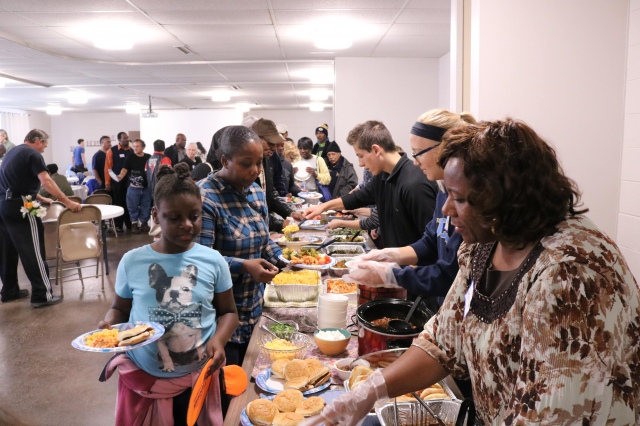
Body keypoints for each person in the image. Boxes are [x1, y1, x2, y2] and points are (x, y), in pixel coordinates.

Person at [303, 118, 640, 426]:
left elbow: (551, 415)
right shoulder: (484, 244)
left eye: (459, 199)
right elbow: (442, 341)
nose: (447, 210)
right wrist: (367, 392)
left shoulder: (570, 272)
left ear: (506, 199)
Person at [98, 162, 239, 426]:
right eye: (174, 218)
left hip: (199, 377)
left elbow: (229, 312)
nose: (187, 225)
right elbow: (120, 308)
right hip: (144, 378)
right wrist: (109, 325)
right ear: (155, 215)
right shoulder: (133, 261)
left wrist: (219, 340)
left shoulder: (213, 260)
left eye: (194, 216)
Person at [350, 109, 476, 307]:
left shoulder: (467, 198)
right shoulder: (443, 189)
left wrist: (392, 275)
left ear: (444, 148)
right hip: (442, 303)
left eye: (418, 153)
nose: (415, 162)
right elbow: (430, 241)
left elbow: (449, 273)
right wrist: (390, 254)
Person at [197, 125, 284, 367]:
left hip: (254, 308)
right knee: (229, 383)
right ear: (225, 160)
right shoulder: (205, 197)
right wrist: (244, 266)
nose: (255, 170)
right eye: (246, 164)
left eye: (259, 163)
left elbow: (264, 240)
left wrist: (284, 260)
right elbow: (200, 260)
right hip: (222, 321)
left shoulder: (255, 191)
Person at [304, 120, 438, 249]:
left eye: (360, 156)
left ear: (376, 150)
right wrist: (323, 207)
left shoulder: (415, 183)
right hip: (395, 260)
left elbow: (431, 242)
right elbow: (357, 197)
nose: (360, 164)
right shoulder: (382, 176)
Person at [0, 129, 81, 307]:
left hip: (3, 205)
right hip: (22, 206)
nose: (44, 148)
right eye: (44, 144)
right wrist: (67, 202)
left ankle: (9, 291)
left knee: (7, 251)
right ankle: (42, 295)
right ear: (37, 141)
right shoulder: (33, 154)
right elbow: (46, 181)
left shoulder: (12, 152)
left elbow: (15, 184)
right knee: (33, 250)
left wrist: (41, 198)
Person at [250, 119, 305, 232]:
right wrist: (280, 224)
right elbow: (249, 210)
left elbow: (270, 194)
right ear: (256, 139)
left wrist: (289, 212)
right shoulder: (246, 167)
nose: (274, 148)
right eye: (270, 143)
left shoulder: (267, 159)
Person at [117, 138, 151, 234]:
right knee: (133, 206)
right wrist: (120, 176)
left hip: (146, 187)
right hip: (133, 187)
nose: (135, 148)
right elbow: (125, 169)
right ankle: (134, 224)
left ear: (143, 147)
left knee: (146, 205)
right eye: (134, 146)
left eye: (137, 146)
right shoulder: (130, 157)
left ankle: (144, 223)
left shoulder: (148, 157)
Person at [105, 131, 132, 232]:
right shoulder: (111, 151)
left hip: (129, 182)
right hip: (116, 182)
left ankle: (129, 224)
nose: (126, 139)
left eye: (127, 137)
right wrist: (107, 182)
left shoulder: (131, 151)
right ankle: (118, 225)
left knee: (129, 203)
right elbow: (107, 168)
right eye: (124, 138)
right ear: (119, 139)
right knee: (118, 203)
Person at [146, 139, 172, 206]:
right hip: (162, 190)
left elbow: (146, 172)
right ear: (164, 148)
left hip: (150, 190)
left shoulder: (149, 159)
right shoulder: (165, 159)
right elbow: (168, 175)